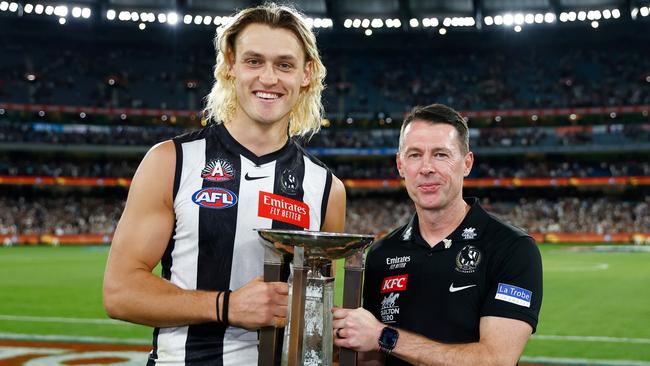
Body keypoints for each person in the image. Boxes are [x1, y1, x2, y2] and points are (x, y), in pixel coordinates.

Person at [103, 4, 346, 365]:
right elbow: (120, 292)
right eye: (254, 61)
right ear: (230, 65)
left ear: (306, 74)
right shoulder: (171, 161)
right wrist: (227, 306)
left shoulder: (327, 189)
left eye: (284, 64)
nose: (268, 78)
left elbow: (314, 309)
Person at [332, 104, 542, 365]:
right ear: (400, 165)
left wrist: (383, 336)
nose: (426, 167)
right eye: (415, 155)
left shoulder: (513, 249)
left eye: (441, 154)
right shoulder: (382, 254)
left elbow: (496, 360)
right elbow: (374, 355)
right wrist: (339, 341)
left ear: (467, 163)